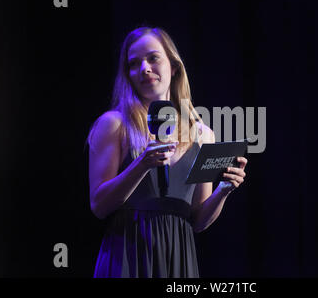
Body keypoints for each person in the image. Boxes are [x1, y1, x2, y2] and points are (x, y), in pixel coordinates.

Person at [87, 26, 248, 278]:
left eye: (153, 58)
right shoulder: (114, 124)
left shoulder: (203, 134)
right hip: (128, 256)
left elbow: (198, 219)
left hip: (179, 258)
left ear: (173, 67)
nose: (144, 68)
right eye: (133, 63)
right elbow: (99, 204)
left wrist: (224, 191)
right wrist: (141, 164)